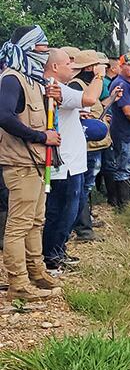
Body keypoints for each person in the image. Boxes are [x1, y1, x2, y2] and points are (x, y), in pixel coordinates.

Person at [0, 25, 63, 301]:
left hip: (36, 163)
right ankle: (18, 283)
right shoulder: (12, 79)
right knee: (19, 225)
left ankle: (36, 271)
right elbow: (4, 116)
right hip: (21, 164)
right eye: (41, 46)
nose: (45, 51)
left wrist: (53, 101)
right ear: (28, 47)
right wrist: (41, 136)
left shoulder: (33, 79)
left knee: (36, 221)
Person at [42, 49, 103, 271]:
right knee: (61, 212)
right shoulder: (55, 87)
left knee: (70, 211)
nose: (72, 69)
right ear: (56, 67)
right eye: (69, 64)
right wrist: (99, 76)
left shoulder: (57, 87)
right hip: (64, 164)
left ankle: (57, 251)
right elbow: (90, 98)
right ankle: (52, 256)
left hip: (71, 162)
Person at [72, 52, 121, 242]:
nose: (104, 70)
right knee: (84, 186)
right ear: (90, 68)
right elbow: (85, 108)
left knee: (86, 186)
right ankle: (83, 228)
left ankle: (86, 220)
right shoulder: (78, 85)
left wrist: (112, 99)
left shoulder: (86, 85)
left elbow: (96, 107)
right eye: (100, 66)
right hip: (88, 146)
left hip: (96, 143)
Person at [107, 52, 130, 208]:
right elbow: (128, 112)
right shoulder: (120, 84)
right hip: (124, 133)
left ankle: (128, 198)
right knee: (125, 167)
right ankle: (123, 204)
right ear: (121, 66)